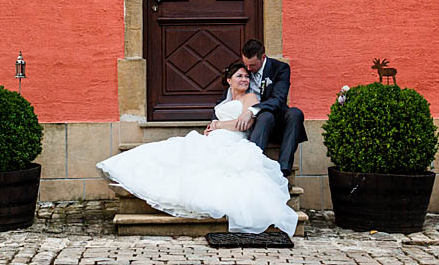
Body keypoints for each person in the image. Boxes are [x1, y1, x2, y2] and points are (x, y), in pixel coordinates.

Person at [96, 61, 298, 235]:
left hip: (233, 140)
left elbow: (243, 123)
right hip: (214, 137)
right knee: (175, 150)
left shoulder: (251, 98)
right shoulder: (225, 99)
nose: (244, 79)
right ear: (229, 80)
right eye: (239, 76)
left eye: (246, 76)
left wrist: (218, 125)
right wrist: (213, 127)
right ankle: (127, 167)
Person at [227, 39, 307, 178]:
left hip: (275, 121)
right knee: (265, 116)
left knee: (295, 113)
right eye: (246, 64)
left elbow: (279, 100)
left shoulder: (280, 69)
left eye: (252, 65)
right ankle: (251, 165)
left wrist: (252, 110)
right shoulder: (244, 69)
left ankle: (283, 170)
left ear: (263, 57)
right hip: (256, 124)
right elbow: (229, 94)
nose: (248, 69)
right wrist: (215, 119)